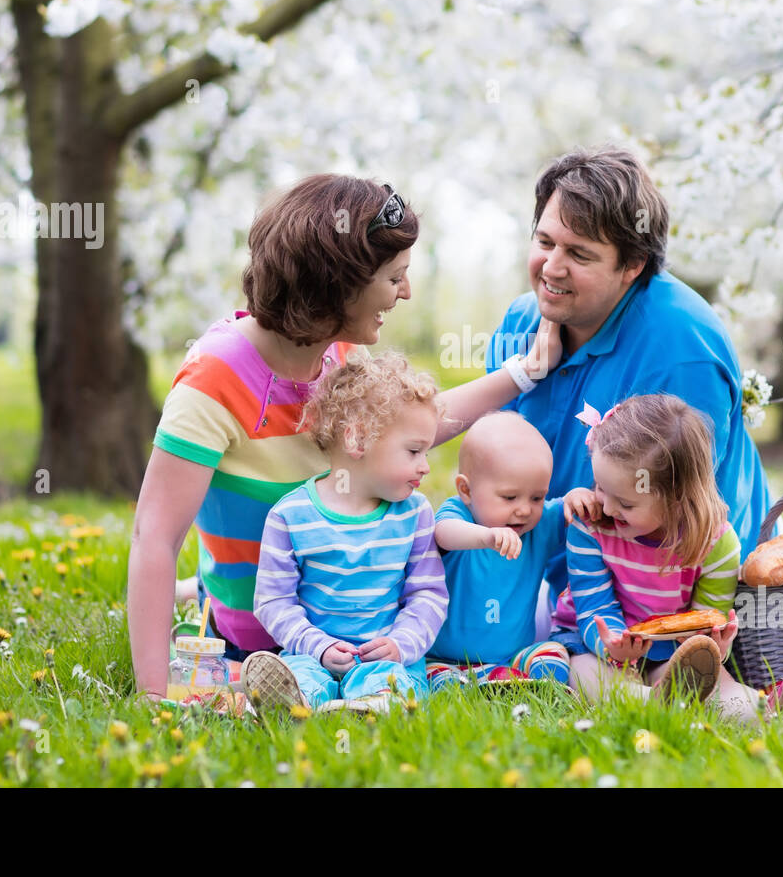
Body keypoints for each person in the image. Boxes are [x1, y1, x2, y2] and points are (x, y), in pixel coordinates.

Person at [129, 175, 561, 698]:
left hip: (359, 632)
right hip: (267, 636)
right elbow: (155, 536)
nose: (406, 292)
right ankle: (204, 604)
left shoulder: (337, 355)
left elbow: (410, 431)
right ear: (339, 285)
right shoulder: (214, 379)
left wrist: (523, 373)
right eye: (394, 277)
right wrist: (154, 689)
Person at [486, 146, 774, 608]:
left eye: (579, 254)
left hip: (677, 589)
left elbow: (681, 514)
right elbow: (488, 467)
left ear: (633, 265)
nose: (552, 268)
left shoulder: (682, 347)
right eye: (544, 242)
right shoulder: (522, 322)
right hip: (566, 574)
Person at [241, 352, 446, 713]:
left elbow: (428, 594)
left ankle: (374, 705)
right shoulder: (290, 517)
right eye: (414, 451)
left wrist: (401, 644)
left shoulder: (414, 514)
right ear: (356, 440)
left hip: (386, 657)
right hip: (309, 653)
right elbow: (273, 601)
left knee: (391, 682)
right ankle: (297, 704)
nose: (425, 466)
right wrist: (316, 646)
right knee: (299, 677)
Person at [549, 394, 759, 718]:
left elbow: (704, 620)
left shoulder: (716, 542)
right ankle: (656, 704)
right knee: (589, 679)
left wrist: (713, 646)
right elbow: (594, 605)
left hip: (671, 651)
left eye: (625, 503)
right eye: (600, 487)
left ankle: (770, 706)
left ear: (677, 498)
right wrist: (615, 646)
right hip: (594, 642)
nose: (605, 507)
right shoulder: (591, 526)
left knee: (726, 698)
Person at [424, 411, 596, 688]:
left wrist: (577, 497)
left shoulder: (537, 526)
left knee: (552, 656)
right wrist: (487, 537)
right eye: (509, 497)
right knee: (439, 679)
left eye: (537, 497)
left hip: (514, 655)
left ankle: (513, 681)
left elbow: (566, 509)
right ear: (466, 490)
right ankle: (471, 682)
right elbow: (443, 534)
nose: (525, 509)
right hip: (447, 656)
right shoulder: (459, 514)